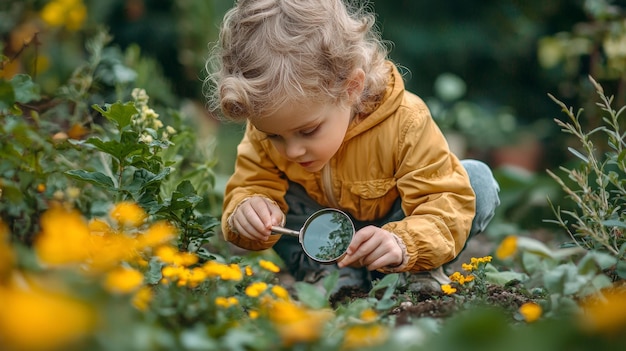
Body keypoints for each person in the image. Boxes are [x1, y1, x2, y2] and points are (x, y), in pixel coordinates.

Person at [204, 0, 500, 293]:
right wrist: (248, 210)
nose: (292, 150)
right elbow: (252, 183)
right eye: (274, 137)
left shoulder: (405, 122)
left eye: (308, 131)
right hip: (316, 237)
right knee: (263, 198)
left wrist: (404, 243)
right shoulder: (269, 125)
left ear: (351, 87)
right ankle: (326, 273)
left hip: (392, 236)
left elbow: (441, 199)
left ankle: (414, 272)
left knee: (475, 182)